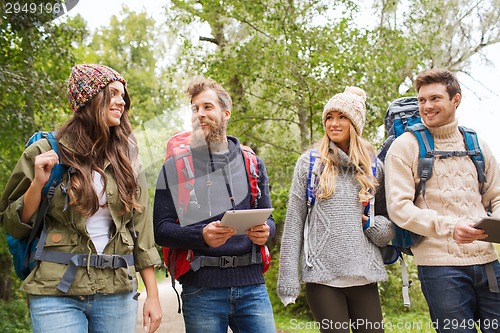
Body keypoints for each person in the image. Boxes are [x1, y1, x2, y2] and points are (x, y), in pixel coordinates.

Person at [0, 64, 162, 333]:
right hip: (55, 290)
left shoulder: (128, 157)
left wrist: (153, 296)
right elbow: (13, 224)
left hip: (117, 291)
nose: (121, 101)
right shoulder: (44, 150)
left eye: (123, 96)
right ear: (89, 99)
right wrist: (38, 183)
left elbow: (141, 230)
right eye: (112, 93)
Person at [153, 77, 276, 333]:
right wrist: (201, 236)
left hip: (252, 286)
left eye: (207, 107)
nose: (200, 114)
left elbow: (269, 220)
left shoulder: (252, 163)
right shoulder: (174, 166)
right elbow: (161, 230)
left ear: (225, 113)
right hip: (201, 289)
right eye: (195, 109)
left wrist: (266, 232)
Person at [385, 68, 500, 333]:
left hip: (488, 263)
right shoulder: (405, 146)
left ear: (455, 100)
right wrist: (450, 227)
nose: (426, 106)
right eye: (422, 100)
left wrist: (494, 224)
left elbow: (496, 195)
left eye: (435, 98)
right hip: (440, 268)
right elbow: (399, 208)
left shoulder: (477, 143)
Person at [277, 87, 394, 333]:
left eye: (342, 117)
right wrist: (288, 279)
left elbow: (387, 225)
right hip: (323, 278)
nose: (334, 123)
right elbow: (294, 224)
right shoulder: (309, 164)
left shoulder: (374, 167)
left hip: (364, 275)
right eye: (329, 117)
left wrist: (373, 225)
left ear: (355, 123)